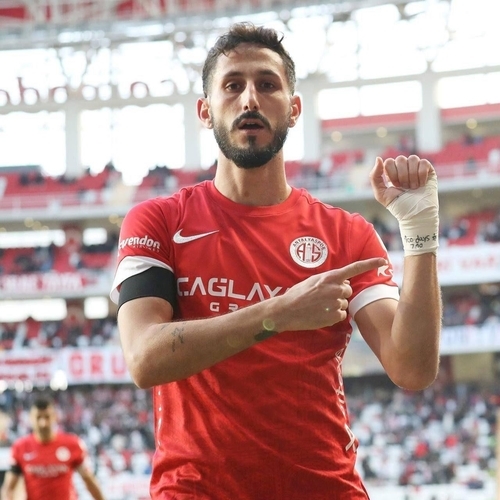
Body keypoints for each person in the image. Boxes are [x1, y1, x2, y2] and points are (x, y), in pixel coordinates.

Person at [110, 22, 442, 499]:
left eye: (267, 85)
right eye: (232, 86)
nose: (250, 99)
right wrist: (279, 313)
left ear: (294, 108)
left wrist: (421, 235)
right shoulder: (159, 220)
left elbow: (412, 368)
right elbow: (145, 358)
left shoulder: (346, 233)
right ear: (205, 111)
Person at [0, 395, 105, 500]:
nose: (43, 423)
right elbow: (8, 488)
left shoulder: (72, 444)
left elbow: (88, 480)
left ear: (55, 417)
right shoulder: (20, 447)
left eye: (47, 417)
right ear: (31, 418)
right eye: (38, 417)